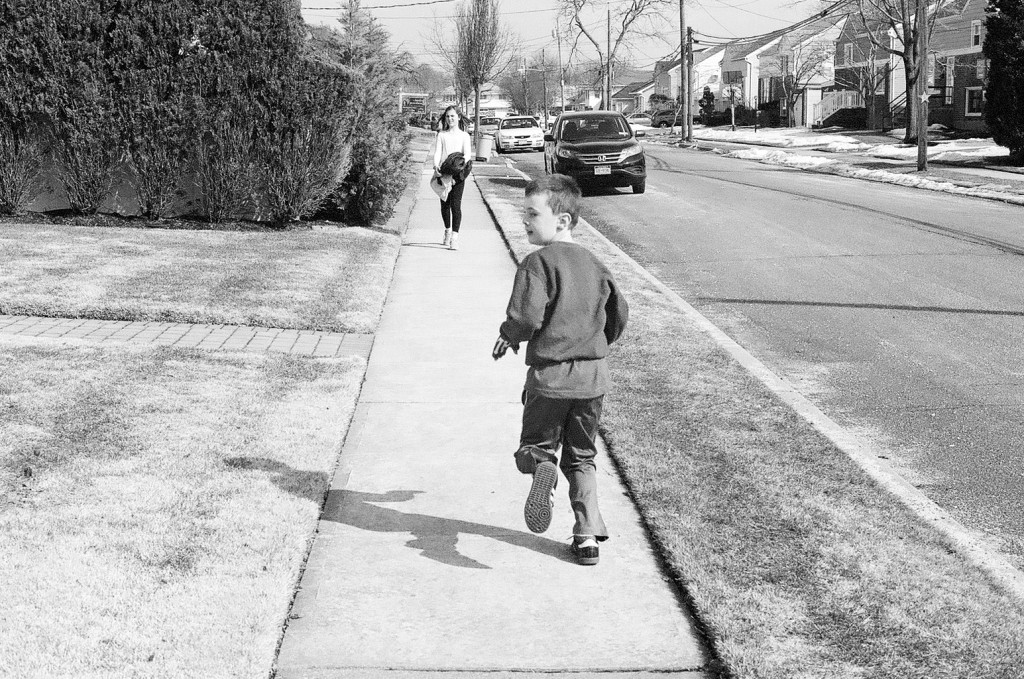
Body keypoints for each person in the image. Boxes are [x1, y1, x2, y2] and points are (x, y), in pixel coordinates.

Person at [492, 174, 629, 566]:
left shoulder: (537, 264)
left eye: (532, 214)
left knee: (533, 448)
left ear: (563, 220)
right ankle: (587, 537)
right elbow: (617, 317)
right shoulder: (597, 265)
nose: (525, 221)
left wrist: (509, 335)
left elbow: (525, 316)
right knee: (583, 457)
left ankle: (542, 467)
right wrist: (593, 346)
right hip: (592, 381)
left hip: (549, 380)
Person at [432, 106, 473, 250]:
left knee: (456, 206)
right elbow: (438, 152)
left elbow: (467, 155)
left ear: (459, 117)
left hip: (459, 174)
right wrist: (436, 165)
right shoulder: (442, 135)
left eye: (453, 116)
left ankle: (455, 237)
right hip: (444, 173)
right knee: (445, 205)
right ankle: (447, 231)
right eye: (448, 116)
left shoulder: (464, 136)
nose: (450, 119)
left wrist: (458, 164)